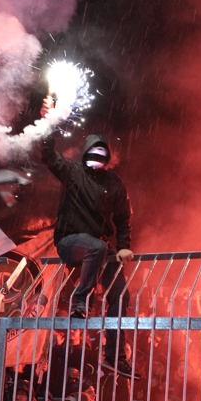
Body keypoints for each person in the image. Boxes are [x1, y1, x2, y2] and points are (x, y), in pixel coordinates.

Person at [40, 130, 140, 380]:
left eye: (102, 153)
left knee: (120, 293)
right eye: (92, 152)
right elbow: (48, 154)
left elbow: (124, 218)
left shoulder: (114, 184)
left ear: (107, 157)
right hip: (70, 240)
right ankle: (81, 301)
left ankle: (114, 356)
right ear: (85, 154)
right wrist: (49, 125)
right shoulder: (72, 171)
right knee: (96, 247)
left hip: (102, 248)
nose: (97, 157)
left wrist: (125, 244)